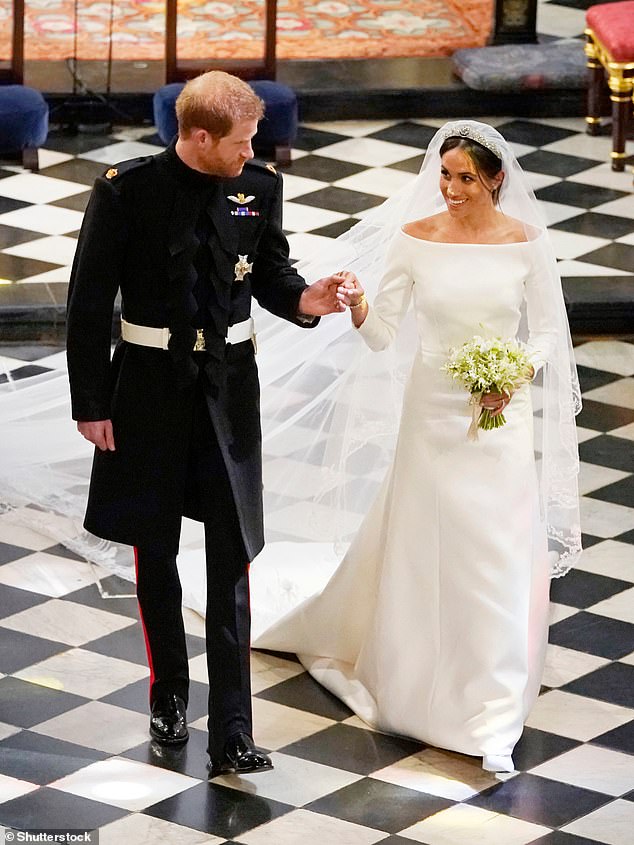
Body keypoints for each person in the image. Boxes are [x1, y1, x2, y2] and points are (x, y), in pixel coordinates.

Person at [227, 120, 582, 774]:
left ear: (495, 179)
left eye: (465, 178)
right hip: (433, 410)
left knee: (495, 548)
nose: (449, 188)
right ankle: (420, 680)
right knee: (429, 543)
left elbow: (550, 335)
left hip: (502, 411)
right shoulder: (415, 241)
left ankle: (493, 705)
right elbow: (384, 334)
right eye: (445, 175)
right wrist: (359, 305)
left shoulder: (527, 244)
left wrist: (514, 374)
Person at [65, 70, 350, 778]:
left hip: (229, 394)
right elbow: (88, 300)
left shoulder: (259, 188)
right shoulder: (125, 191)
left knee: (232, 557)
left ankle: (233, 728)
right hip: (147, 392)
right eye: (244, 139)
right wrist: (91, 403)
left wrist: (307, 300)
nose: (256, 148)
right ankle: (168, 697)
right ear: (199, 136)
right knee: (154, 548)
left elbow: (273, 274)